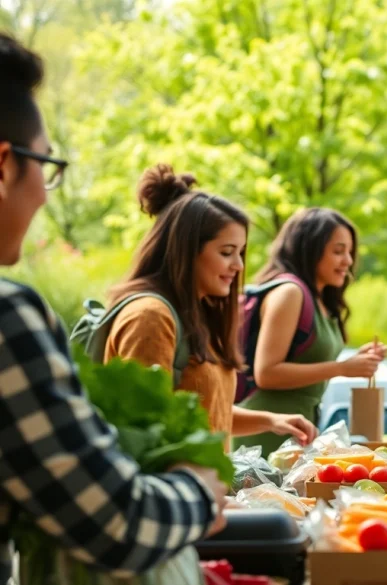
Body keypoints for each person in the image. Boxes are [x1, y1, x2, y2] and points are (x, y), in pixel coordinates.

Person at [0, 32, 225, 581]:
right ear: (5, 165)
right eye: (48, 167)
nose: (47, 194)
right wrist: (199, 488)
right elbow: (119, 522)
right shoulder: (8, 320)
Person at [105, 164, 318, 450]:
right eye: (226, 252)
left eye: (240, 253)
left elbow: (206, 415)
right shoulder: (150, 318)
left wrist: (271, 420)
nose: (238, 266)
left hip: (205, 492)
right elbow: (144, 430)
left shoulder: (197, 316)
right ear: (186, 250)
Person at [234, 207, 385, 454]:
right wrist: (342, 368)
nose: (347, 261)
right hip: (269, 432)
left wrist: (357, 360)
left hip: (299, 428)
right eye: (338, 251)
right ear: (310, 249)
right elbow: (266, 372)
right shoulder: (290, 293)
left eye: (349, 252)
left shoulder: (321, 300)